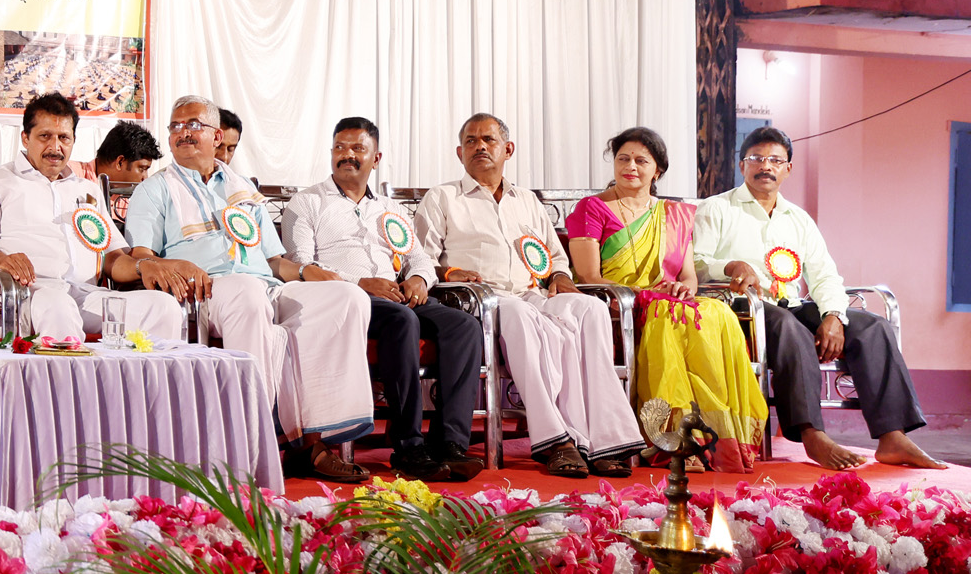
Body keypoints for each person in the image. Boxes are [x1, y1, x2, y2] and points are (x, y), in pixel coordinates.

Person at [123, 95, 374, 482]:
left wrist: (307, 270)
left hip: (263, 284)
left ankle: (313, 439)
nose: (182, 133)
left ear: (216, 136)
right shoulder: (155, 189)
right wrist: (172, 267)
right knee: (247, 292)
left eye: (193, 125)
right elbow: (142, 256)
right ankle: (250, 443)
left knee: (347, 298)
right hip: (204, 291)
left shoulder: (242, 188)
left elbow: (274, 262)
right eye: (175, 126)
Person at [696, 126, 940, 470]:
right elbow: (696, 263)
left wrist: (834, 316)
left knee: (873, 327)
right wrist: (730, 265)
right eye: (756, 158)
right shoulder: (716, 209)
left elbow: (824, 275)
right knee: (790, 328)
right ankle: (811, 434)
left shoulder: (799, 220)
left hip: (791, 306)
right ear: (741, 165)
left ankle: (892, 436)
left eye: (775, 160)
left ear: (787, 168)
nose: (766, 166)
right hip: (741, 309)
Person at [415, 113, 643, 478]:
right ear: (460, 152)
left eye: (488, 140)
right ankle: (556, 441)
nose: (480, 147)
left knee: (590, 309)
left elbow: (556, 258)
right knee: (519, 315)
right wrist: (448, 272)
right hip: (479, 300)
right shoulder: (443, 198)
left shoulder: (527, 201)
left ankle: (603, 440)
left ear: (508, 149)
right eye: (471, 141)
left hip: (531, 293)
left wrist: (561, 277)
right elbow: (420, 260)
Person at [281, 117, 485, 482]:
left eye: (358, 148)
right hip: (345, 301)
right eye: (340, 147)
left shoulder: (391, 209)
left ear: (376, 159)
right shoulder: (307, 202)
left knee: (464, 326)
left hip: (397, 296)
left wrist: (419, 280)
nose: (347, 155)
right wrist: (361, 283)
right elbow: (302, 265)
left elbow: (419, 258)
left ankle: (450, 444)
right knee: (401, 321)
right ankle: (409, 448)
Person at [565, 126, 765, 471]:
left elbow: (687, 275)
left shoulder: (674, 214)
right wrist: (644, 293)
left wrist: (684, 288)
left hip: (668, 301)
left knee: (717, 313)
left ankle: (712, 438)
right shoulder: (592, 208)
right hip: (619, 304)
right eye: (623, 159)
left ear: (657, 170)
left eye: (641, 160)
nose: (630, 166)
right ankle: (671, 439)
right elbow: (588, 277)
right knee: (666, 316)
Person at [0, 93, 184, 344]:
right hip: (29, 294)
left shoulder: (87, 190)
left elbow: (113, 258)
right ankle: (66, 371)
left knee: (163, 307)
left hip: (86, 296)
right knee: (58, 305)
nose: (55, 147)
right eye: (45, 136)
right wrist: (2, 260)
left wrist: (142, 266)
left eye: (64, 138)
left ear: (73, 141)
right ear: (25, 138)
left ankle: (138, 372)